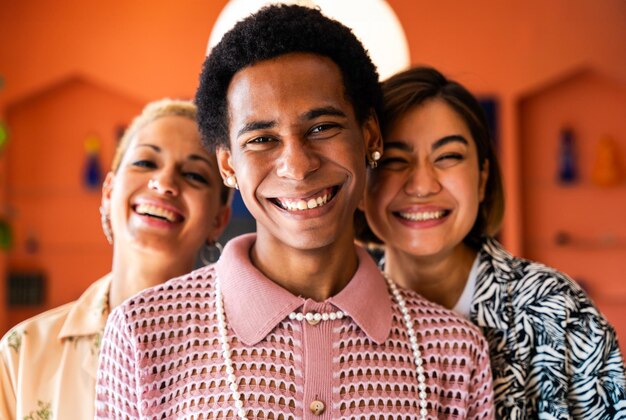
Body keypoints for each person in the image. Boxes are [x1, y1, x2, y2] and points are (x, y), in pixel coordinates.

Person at [96, 5, 495, 419]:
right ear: (228, 165)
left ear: (370, 135)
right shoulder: (142, 333)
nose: (297, 166)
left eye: (322, 128)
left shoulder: (454, 351)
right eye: (262, 138)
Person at [356, 65, 626, 418]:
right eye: (393, 160)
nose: (421, 185)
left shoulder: (557, 312)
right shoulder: (342, 314)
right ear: (360, 184)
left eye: (448, 157)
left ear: (482, 178)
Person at [0, 98, 232, 419]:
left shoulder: (240, 359)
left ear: (219, 220)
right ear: (109, 193)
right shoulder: (22, 354)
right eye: (145, 163)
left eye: (194, 174)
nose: (163, 183)